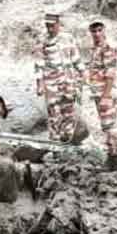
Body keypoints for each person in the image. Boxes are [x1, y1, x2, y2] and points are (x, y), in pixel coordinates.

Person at [35, 12, 85, 143]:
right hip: (52, 84)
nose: (50, 29)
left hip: (68, 82)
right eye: (47, 26)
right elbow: (39, 64)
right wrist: (39, 84)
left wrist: (82, 74)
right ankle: (55, 143)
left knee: (69, 111)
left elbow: (76, 58)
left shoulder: (68, 38)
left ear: (58, 24)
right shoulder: (42, 40)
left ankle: (67, 140)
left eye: (52, 26)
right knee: (54, 113)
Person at [87, 21, 117, 170]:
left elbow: (110, 73)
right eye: (93, 31)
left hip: (105, 92)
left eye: (99, 30)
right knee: (106, 125)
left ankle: (115, 158)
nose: (96, 34)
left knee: (110, 125)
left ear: (104, 30)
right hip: (99, 92)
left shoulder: (109, 47)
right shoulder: (95, 48)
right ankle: (112, 156)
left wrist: (106, 96)